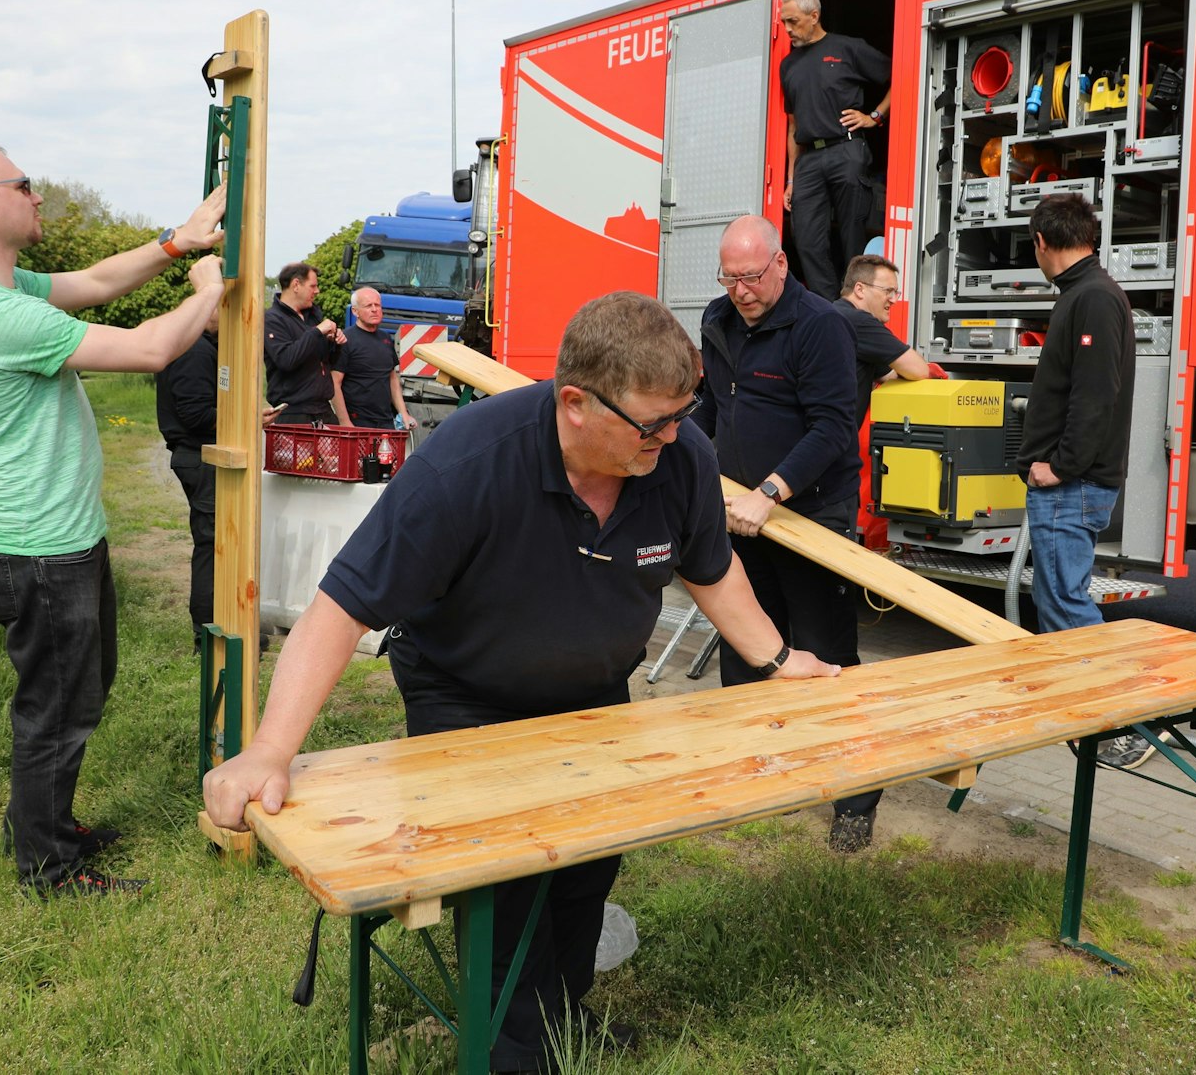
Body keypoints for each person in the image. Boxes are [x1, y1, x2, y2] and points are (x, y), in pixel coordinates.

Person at [203, 291, 840, 1073]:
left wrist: (778, 660)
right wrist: (270, 748)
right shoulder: (467, 463)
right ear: (574, 403)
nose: (673, 435)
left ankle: (560, 1016)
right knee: (505, 879)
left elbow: (711, 568)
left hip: (594, 695)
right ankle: (513, 1050)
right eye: (653, 424)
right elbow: (340, 607)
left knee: (587, 865)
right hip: (466, 691)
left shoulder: (680, 455)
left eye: (683, 414)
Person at [0, 137, 226, 896]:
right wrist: (209, 290)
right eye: (24, 184)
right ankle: (47, 866)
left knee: (76, 690)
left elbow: (94, 281)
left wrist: (177, 241)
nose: (38, 194)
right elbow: (150, 349)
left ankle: (41, 821)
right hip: (37, 548)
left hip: (52, 539)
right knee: (56, 707)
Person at [694, 215, 870, 850]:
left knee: (825, 655)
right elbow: (713, 409)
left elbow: (832, 427)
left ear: (780, 264)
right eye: (729, 278)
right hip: (739, 515)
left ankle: (854, 800)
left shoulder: (820, 326)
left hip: (809, 517)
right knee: (748, 646)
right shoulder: (717, 319)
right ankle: (756, 780)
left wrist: (770, 492)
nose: (740, 290)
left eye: (750, 277)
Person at [1014, 194, 1147, 770]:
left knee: (1067, 606)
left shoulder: (1091, 297)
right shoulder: (1087, 293)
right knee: (1059, 602)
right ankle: (1088, 719)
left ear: (1042, 242)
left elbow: (1095, 397)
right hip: (1072, 483)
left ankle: (1125, 728)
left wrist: (1061, 465)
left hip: (1071, 485)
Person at [778, 0, 891, 300]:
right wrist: (791, 179)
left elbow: (901, 75)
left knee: (852, 236)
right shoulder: (788, 65)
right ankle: (830, 306)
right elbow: (792, 125)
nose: (787, 29)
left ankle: (855, 305)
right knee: (807, 240)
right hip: (808, 160)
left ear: (814, 16)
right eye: (784, 22)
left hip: (847, 149)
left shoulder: (848, 48)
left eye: (793, 21)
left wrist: (875, 116)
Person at [156, 307, 221, 651]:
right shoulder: (194, 350)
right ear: (210, 310)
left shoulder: (202, 345)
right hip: (199, 457)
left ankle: (222, 624)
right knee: (211, 544)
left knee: (218, 542)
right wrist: (246, 416)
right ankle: (206, 635)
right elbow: (196, 415)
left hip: (202, 456)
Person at [834, 253, 940, 428]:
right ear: (860, 289)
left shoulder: (837, 313)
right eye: (887, 291)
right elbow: (919, 370)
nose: (894, 300)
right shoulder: (859, 321)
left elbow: (888, 375)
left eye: (895, 292)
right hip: (831, 437)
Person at [264, 262, 344, 424]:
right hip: (293, 413)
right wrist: (316, 332)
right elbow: (286, 359)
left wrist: (335, 343)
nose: (317, 291)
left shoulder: (313, 316)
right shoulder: (272, 319)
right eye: (313, 286)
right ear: (296, 285)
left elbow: (328, 362)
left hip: (323, 410)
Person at [331, 287, 412, 430]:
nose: (374, 309)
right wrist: (345, 422)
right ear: (355, 311)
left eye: (377, 305)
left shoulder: (386, 338)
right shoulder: (345, 340)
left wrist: (403, 413)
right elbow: (334, 383)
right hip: (357, 423)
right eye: (368, 306)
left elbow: (392, 378)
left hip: (385, 422)